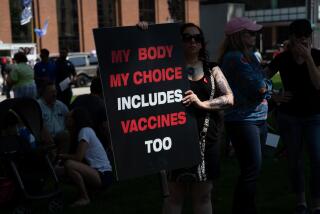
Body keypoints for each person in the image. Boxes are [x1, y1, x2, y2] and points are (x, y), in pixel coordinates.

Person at [138, 22, 234, 214]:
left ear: (202, 43)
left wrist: (201, 104)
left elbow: (230, 99)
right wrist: (143, 34)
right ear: (179, 42)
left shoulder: (212, 69)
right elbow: (140, 70)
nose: (192, 41)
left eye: (197, 38)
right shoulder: (165, 70)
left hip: (208, 140)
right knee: (175, 195)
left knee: (204, 195)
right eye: (187, 37)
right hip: (175, 140)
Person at [264, 19, 320, 214]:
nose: (301, 46)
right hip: (289, 117)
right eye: (298, 41)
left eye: (306, 41)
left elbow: (318, 84)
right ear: (291, 40)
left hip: (314, 116)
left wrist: (309, 59)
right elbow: (264, 80)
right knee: (295, 160)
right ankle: (301, 201)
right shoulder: (282, 59)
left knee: (317, 159)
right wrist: (275, 95)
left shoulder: (317, 56)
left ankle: (316, 203)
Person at [218, 17, 271, 214]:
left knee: (251, 171)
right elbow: (259, 88)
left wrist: (266, 86)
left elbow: (264, 83)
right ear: (239, 36)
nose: (254, 35)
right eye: (250, 33)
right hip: (243, 120)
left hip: (257, 119)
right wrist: (267, 87)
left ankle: (245, 208)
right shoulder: (234, 58)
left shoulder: (249, 56)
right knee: (251, 171)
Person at [56, 107, 113, 207]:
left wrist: (60, 156)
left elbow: (78, 157)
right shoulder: (82, 132)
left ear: (76, 119)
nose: (66, 119)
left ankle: (84, 197)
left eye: (69, 118)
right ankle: (88, 193)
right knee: (63, 169)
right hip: (98, 173)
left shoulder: (85, 131)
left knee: (69, 164)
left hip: (103, 174)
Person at [70, 77, 110, 152]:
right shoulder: (101, 104)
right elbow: (106, 127)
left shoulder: (78, 99)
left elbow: (69, 116)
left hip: (76, 143)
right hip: (96, 146)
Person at [37, 81, 69, 152]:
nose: (54, 94)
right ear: (43, 93)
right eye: (51, 92)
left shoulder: (60, 105)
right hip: (47, 139)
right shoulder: (38, 106)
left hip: (62, 137)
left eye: (55, 91)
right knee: (65, 135)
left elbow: (69, 118)